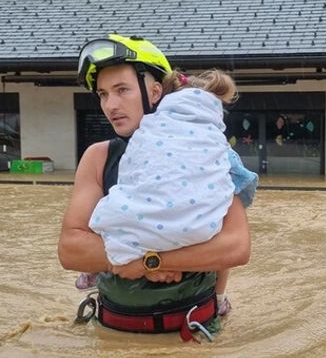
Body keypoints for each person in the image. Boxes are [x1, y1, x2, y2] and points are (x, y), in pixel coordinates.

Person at [59, 34, 252, 341]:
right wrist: (141, 262)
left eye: (122, 90)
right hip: (113, 332)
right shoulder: (99, 157)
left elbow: (236, 246)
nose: (111, 105)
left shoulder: (208, 151)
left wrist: (150, 262)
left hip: (193, 334)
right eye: (103, 94)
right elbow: (70, 249)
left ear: (155, 91)